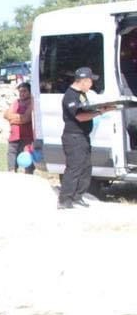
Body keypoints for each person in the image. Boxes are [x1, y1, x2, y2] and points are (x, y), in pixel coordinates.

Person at [59, 67, 105, 209]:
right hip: (73, 137)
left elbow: (86, 110)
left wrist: (104, 108)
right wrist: (100, 113)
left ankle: (78, 196)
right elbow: (80, 116)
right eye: (91, 81)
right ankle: (65, 200)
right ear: (84, 81)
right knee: (74, 168)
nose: (92, 84)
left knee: (86, 168)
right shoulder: (70, 96)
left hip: (83, 136)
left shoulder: (82, 94)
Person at [4, 82, 35, 174]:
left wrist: (12, 119)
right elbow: (6, 115)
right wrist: (19, 118)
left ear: (30, 92)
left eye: (24, 91)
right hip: (14, 136)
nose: (22, 93)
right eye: (20, 91)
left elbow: (26, 118)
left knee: (28, 160)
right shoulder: (15, 102)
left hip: (27, 137)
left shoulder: (32, 103)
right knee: (11, 159)